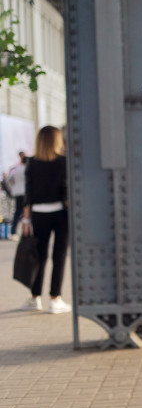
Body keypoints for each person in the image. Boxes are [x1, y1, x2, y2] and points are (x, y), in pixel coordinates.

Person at [20, 126, 71, 314]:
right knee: (59, 256)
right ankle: (55, 299)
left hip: (38, 214)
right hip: (61, 214)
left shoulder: (31, 163)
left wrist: (26, 221)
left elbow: (28, 193)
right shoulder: (63, 161)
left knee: (39, 256)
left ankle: (35, 297)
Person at [7, 151, 27, 236]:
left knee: (18, 212)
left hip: (18, 192)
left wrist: (13, 188)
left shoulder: (17, 169)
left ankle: (14, 231)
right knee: (25, 212)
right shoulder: (26, 168)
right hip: (25, 193)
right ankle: (24, 231)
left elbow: (8, 179)